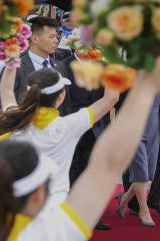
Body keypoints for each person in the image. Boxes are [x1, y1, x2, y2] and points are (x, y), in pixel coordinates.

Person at [0, 53, 160, 241]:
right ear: (60, 99)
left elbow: (5, 94)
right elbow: (110, 114)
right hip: (53, 211)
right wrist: (130, 77)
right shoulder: (64, 128)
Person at [63, 51, 111, 230]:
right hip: (71, 127)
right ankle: (70, 213)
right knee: (72, 171)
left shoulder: (104, 67)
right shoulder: (63, 65)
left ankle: (91, 215)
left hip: (97, 128)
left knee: (93, 172)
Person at [116, 92, 160, 227]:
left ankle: (125, 199)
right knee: (141, 173)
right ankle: (144, 212)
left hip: (153, 127)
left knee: (148, 172)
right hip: (131, 126)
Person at [0, 16, 71, 115]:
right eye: (51, 36)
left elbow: (66, 105)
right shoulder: (15, 68)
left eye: (56, 36)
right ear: (35, 39)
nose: (56, 41)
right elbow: (1, 104)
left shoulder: (60, 66)